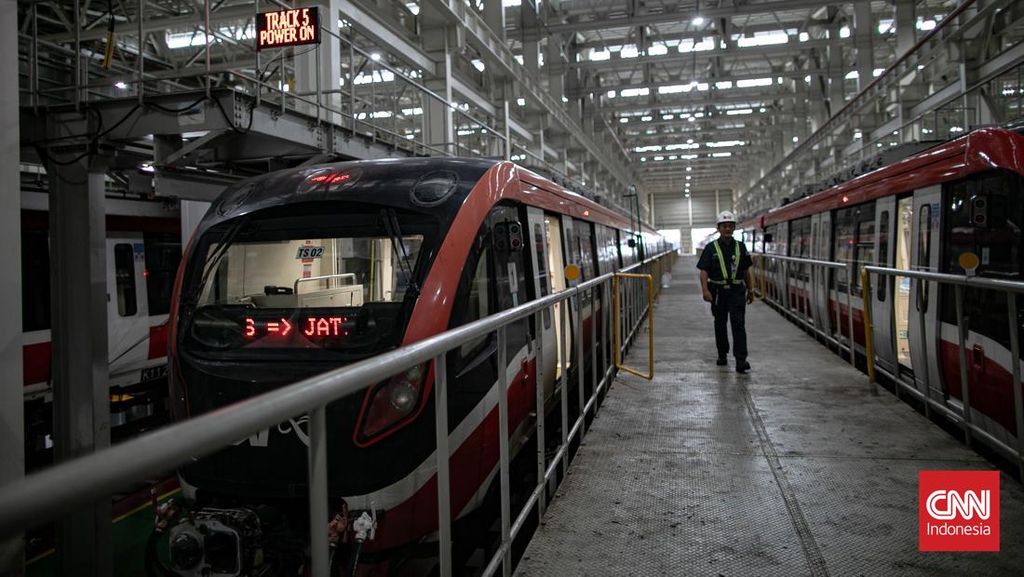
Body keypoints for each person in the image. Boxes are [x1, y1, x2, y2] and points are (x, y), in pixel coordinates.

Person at [697, 211, 755, 373]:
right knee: (720, 324)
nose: (727, 229)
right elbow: (704, 271)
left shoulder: (741, 247)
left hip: (737, 291)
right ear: (719, 228)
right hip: (718, 292)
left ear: (734, 228)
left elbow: (746, 271)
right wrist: (705, 290)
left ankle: (741, 360)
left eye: (730, 226)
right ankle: (722, 354)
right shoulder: (711, 248)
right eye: (724, 226)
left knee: (739, 325)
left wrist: (751, 290)